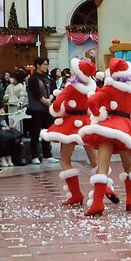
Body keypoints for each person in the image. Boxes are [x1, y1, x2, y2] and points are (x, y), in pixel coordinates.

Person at [79, 59, 131, 215]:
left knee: (102, 167)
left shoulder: (108, 89)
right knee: (129, 166)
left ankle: (97, 204)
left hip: (108, 129)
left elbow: (92, 101)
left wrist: (99, 113)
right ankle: (130, 200)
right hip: (125, 129)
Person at [43, 59, 99, 205]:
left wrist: (57, 110)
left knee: (65, 160)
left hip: (70, 125)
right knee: (95, 161)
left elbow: (56, 105)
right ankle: (106, 189)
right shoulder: (93, 86)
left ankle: (76, 195)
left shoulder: (71, 86)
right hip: (87, 123)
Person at [25, 58, 54, 162]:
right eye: (44, 64)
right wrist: (44, 100)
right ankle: (35, 155)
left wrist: (50, 98)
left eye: (47, 64)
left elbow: (52, 90)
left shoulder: (48, 78)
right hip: (36, 109)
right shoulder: (33, 78)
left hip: (47, 109)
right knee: (35, 133)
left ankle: (47, 154)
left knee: (47, 132)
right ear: (38, 65)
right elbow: (35, 92)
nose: (46, 66)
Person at [3, 69, 29, 136]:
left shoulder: (21, 87)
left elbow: (22, 99)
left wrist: (17, 103)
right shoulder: (9, 86)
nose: (12, 79)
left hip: (17, 109)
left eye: (14, 78)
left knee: (17, 125)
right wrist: (7, 97)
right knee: (10, 123)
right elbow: (5, 94)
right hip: (10, 108)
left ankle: (18, 137)